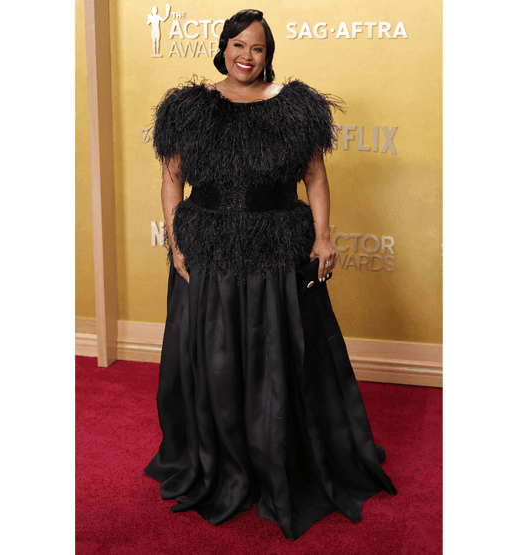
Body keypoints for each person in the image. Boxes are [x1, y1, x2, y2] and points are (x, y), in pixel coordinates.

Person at [143, 9, 397, 541]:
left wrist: (323, 236)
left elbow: (315, 178)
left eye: (256, 48)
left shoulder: (295, 108)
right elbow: (172, 176)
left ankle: (276, 456)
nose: (246, 55)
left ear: (268, 53)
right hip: (208, 248)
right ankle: (220, 456)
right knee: (215, 356)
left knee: (277, 357)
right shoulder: (190, 108)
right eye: (237, 44)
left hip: (276, 247)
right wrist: (175, 237)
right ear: (223, 48)